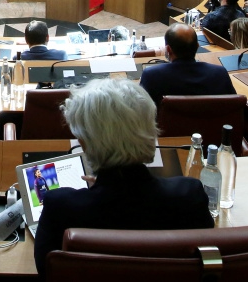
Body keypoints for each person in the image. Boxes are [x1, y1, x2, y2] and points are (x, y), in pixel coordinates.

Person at [33, 78, 213, 277]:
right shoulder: (190, 196)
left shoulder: (60, 207)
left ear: (84, 144)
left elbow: (46, 270)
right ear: (150, 132)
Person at [140, 24, 236, 100]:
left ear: (168, 49)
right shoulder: (220, 74)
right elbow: (234, 105)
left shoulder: (151, 76)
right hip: (210, 124)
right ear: (197, 46)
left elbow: (140, 111)